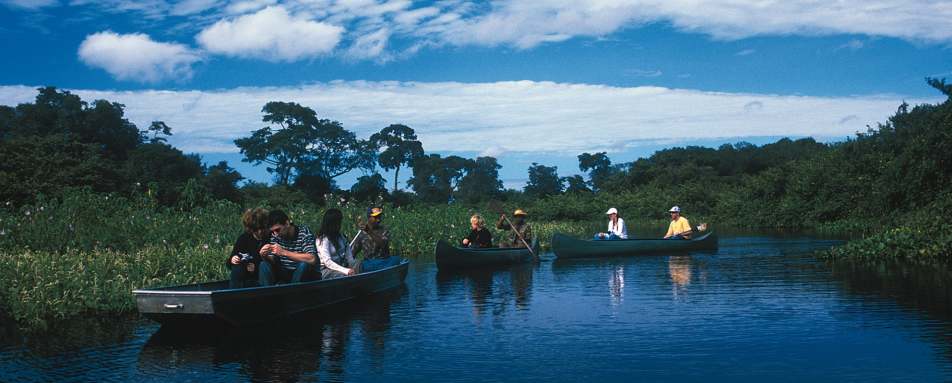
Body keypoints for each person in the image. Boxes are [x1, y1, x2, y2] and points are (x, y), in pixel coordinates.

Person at [258, 210, 320, 285]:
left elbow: (312, 259)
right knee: (263, 264)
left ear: (287, 223)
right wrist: (264, 256)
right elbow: (273, 260)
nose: (275, 234)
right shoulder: (275, 235)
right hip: (284, 272)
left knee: (304, 265)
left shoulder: (304, 232)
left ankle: (292, 294)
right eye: (273, 231)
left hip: (301, 273)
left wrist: (284, 252)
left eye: (277, 230)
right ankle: (266, 295)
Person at [226, 207, 270, 289]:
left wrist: (256, 268)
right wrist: (233, 259)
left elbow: (275, 264)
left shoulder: (270, 238)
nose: (260, 232)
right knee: (237, 268)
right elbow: (229, 262)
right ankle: (234, 296)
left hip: (263, 279)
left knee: (264, 266)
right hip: (246, 279)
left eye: (262, 228)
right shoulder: (243, 239)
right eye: (256, 229)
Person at [352, 207, 400, 272]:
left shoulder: (384, 230)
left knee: (396, 260)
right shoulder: (361, 233)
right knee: (359, 265)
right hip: (369, 264)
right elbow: (352, 253)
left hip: (384, 262)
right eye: (376, 217)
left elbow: (383, 244)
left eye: (379, 217)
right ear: (369, 218)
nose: (378, 220)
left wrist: (369, 231)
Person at [315, 208, 357, 280]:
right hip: (325, 270)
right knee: (341, 276)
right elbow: (327, 262)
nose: (338, 225)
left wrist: (354, 266)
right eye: (336, 223)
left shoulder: (342, 238)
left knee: (359, 265)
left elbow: (350, 258)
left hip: (341, 265)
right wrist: (346, 271)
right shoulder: (323, 240)